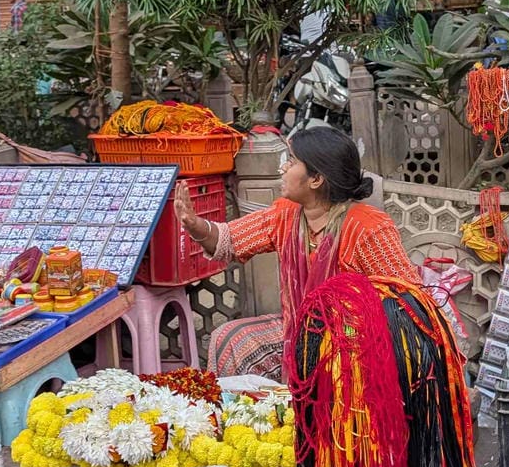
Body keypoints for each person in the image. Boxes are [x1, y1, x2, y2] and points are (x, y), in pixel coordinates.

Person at [174, 124, 422, 378]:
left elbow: (408, 300)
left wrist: (344, 327)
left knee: (335, 352)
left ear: (316, 179)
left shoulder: (368, 228)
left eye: (291, 162)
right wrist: (195, 225)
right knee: (229, 341)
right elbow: (229, 240)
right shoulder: (285, 215)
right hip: (298, 331)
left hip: (355, 336)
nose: (283, 168)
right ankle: (265, 414)